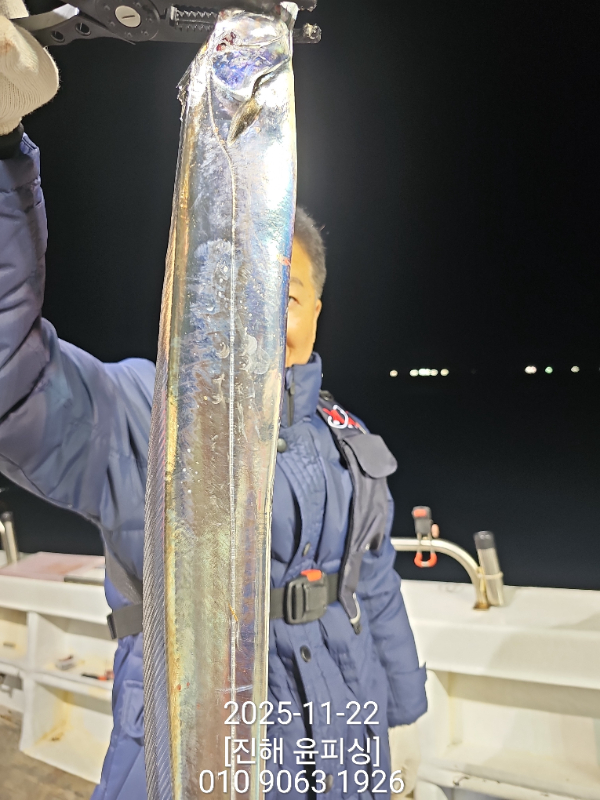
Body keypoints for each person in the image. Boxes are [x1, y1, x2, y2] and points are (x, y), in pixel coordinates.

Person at [0, 6, 427, 799]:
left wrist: (403, 708)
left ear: (317, 311)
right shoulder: (147, 416)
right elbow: (10, 384)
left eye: (287, 297)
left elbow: (373, 580)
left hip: (344, 750)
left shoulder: (350, 442)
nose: (266, 315)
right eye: (251, 288)